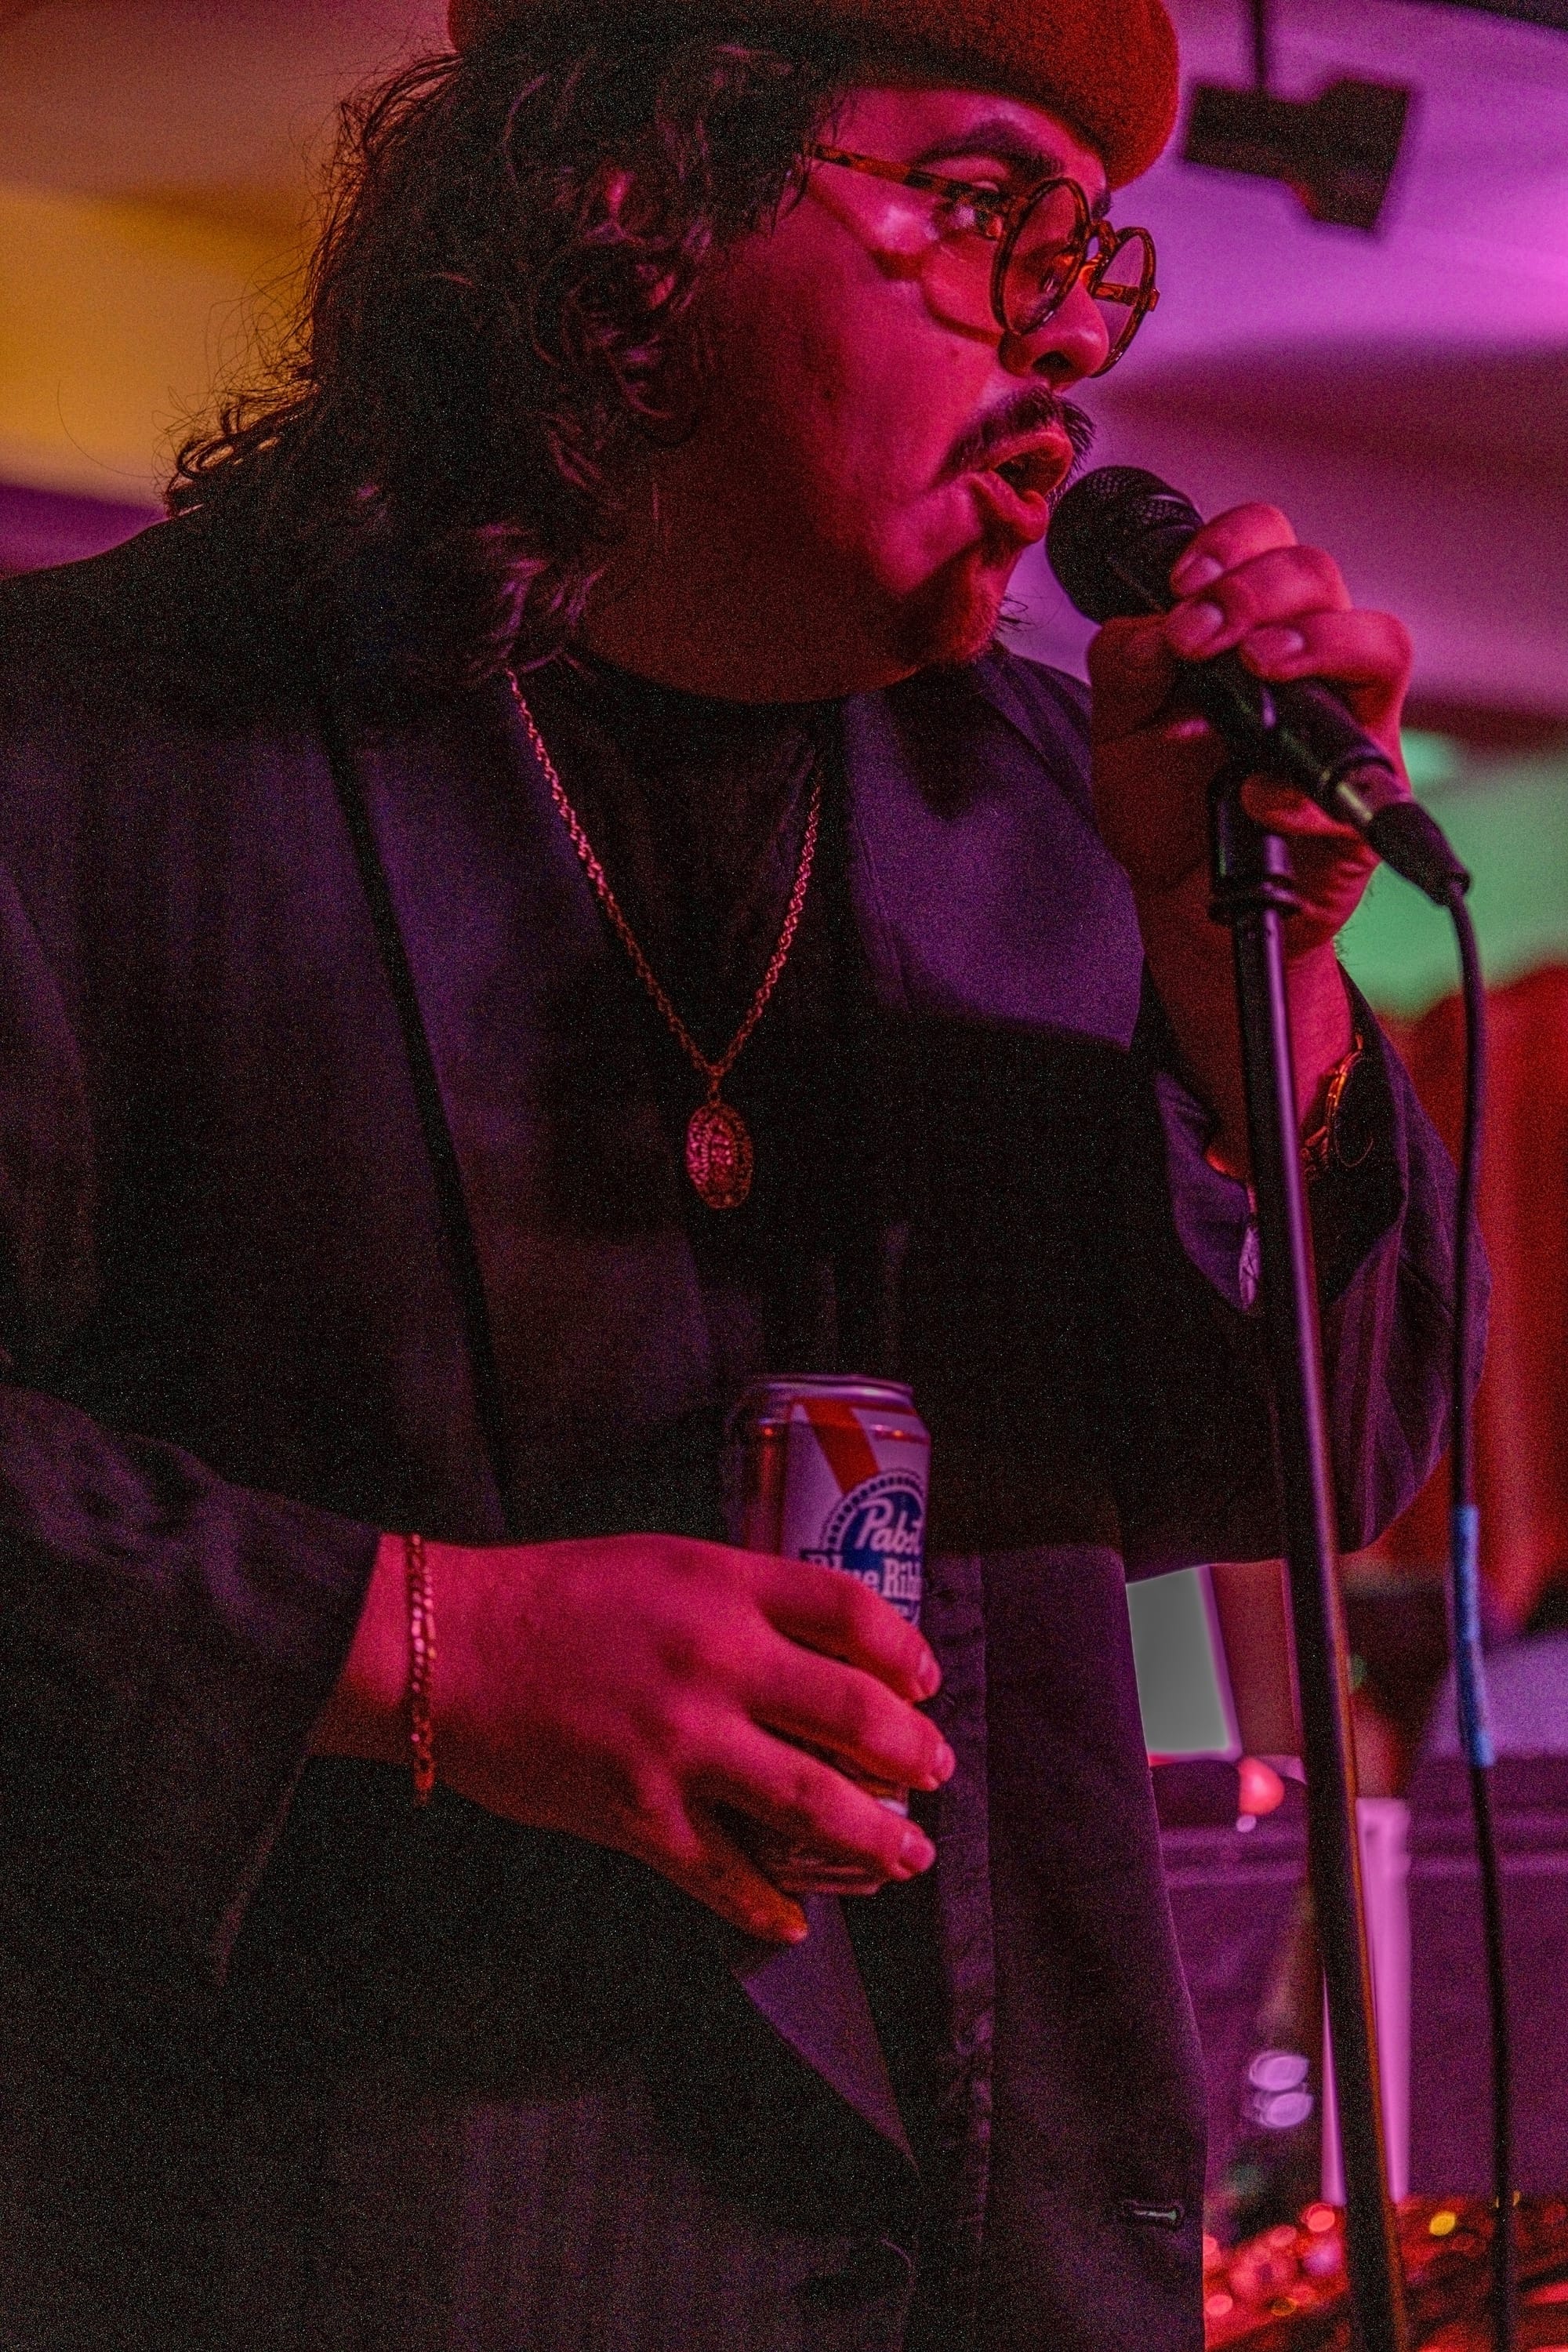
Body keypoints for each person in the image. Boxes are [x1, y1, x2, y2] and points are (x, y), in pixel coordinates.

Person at [0, 2, 1468, 2347]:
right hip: (345, 2241)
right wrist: (417, 1645)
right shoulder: (95, 741)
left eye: (1096, 262)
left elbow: (1317, 1451)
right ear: (634, 218)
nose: (1067, 343)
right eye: (983, 214)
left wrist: (1251, 964)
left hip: (996, 2240)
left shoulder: (1055, 804)